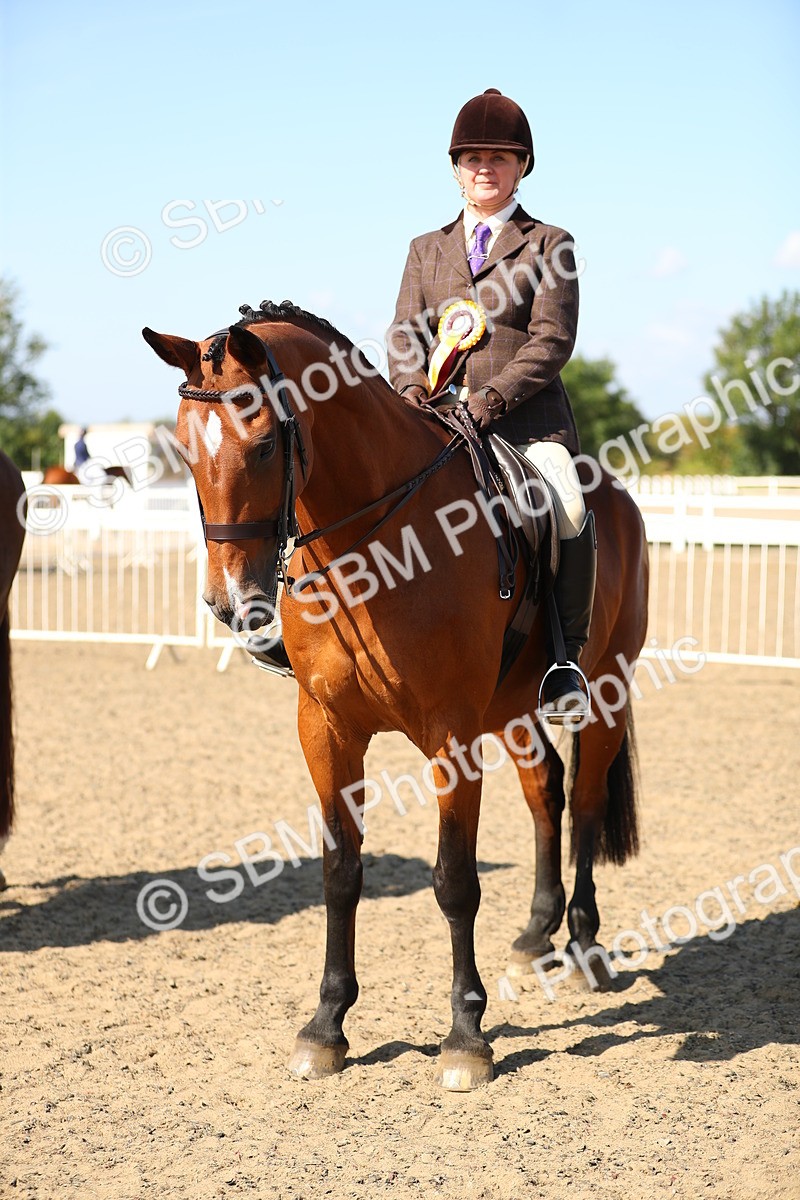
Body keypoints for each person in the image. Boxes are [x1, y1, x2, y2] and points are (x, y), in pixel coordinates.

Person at [385, 88, 595, 724]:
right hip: (439, 423)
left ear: (522, 166)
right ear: (455, 168)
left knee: (567, 501)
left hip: (526, 424)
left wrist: (490, 399)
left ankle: (565, 660)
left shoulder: (548, 242)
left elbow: (552, 341)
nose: (485, 167)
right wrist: (415, 394)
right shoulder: (426, 248)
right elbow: (404, 337)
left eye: (500, 157)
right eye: (472, 156)